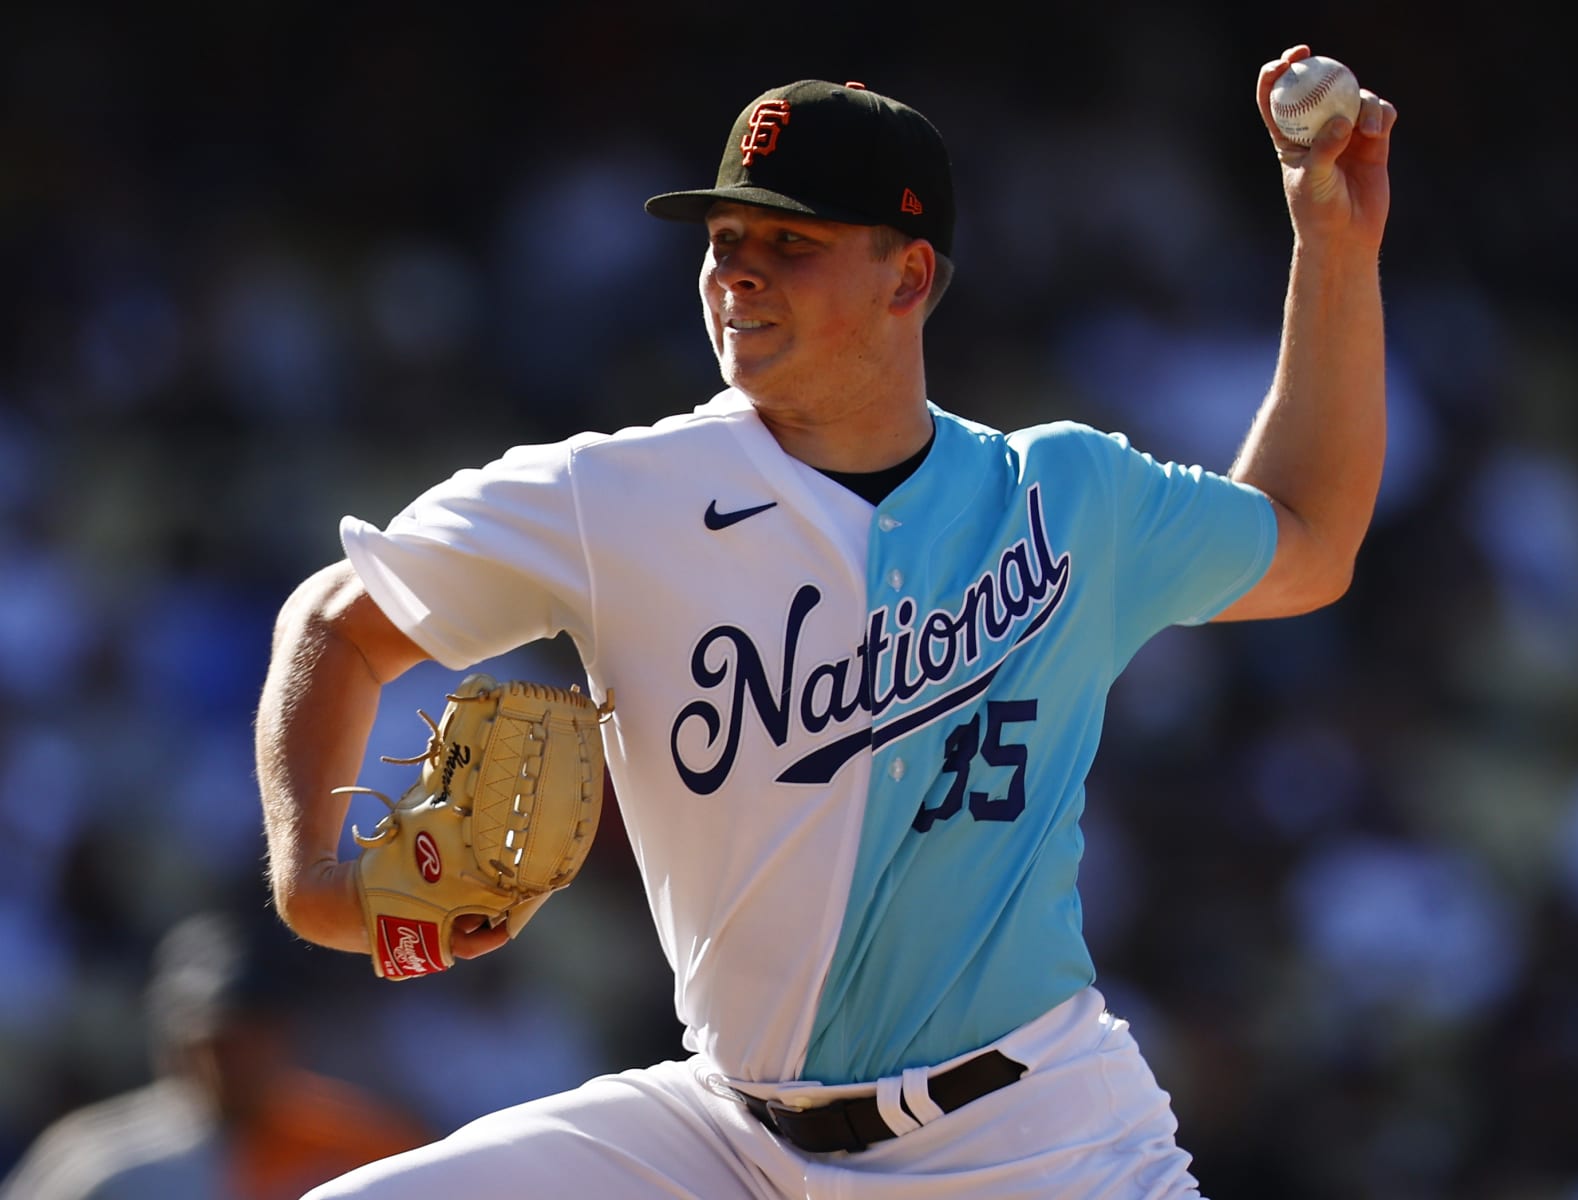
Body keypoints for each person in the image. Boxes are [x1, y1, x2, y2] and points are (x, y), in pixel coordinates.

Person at [255, 46, 1396, 1198]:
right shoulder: (615, 499)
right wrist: (310, 874)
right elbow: (339, 625)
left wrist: (1334, 246)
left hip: (1036, 1140)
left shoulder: (1065, 501)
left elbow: (1307, 537)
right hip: (726, 1134)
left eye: (789, 246)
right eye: (724, 244)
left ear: (906, 279)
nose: (738, 275)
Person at [0, 911, 431, 1200]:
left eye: (253, 1035)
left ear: (286, 1034)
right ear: (176, 1043)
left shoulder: (366, 1143)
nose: (234, 1060)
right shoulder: (103, 1161)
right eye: (217, 1040)